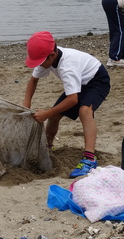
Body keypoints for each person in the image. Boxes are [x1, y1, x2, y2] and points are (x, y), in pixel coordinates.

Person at [23, 31, 110, 178]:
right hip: (79, 81)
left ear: (52, 56)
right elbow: (33, 80)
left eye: (39, 61)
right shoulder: (47, 58)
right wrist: (26, 104)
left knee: (84, 111)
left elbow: (73, 100)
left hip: (97, 80)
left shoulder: (68, 66)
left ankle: (89, 158)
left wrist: (46, 113)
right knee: (55, 114)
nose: (38, 65)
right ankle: (47, 147)